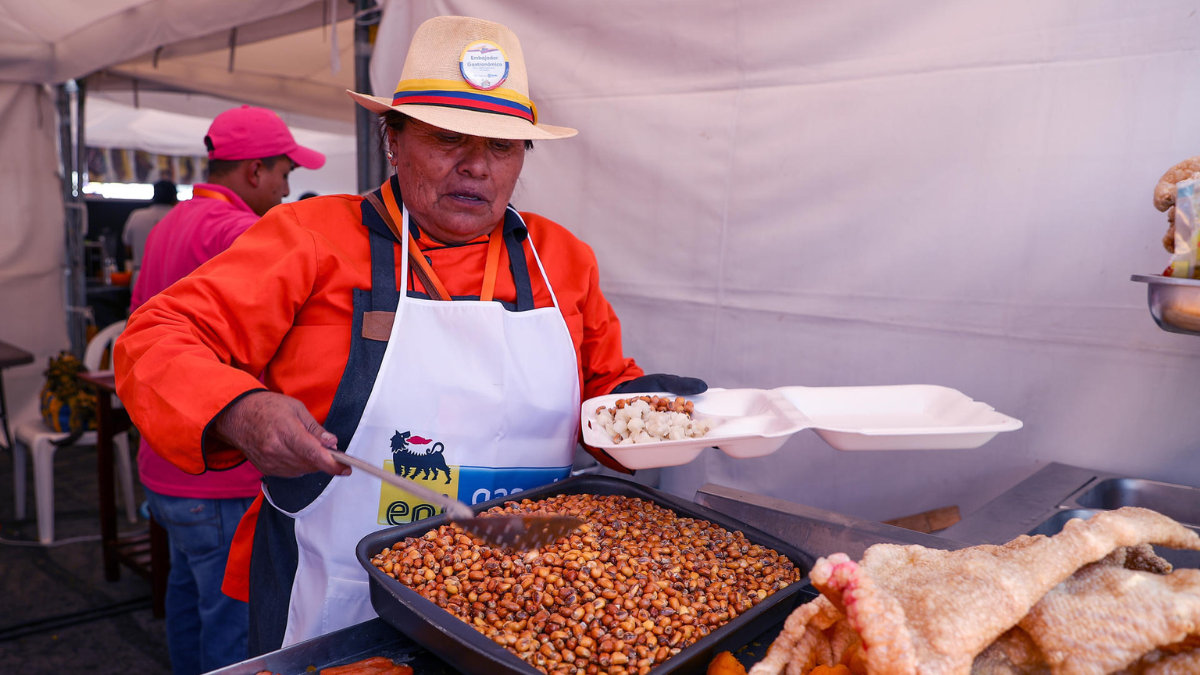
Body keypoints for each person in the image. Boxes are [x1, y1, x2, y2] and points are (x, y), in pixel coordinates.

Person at [114, 16, 704, 656]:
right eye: (449, 139)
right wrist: (239, 409)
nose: (476, 166)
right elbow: (154, 339)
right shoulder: (310, 239)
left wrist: (649, 414)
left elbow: (605, 397)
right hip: (339, 596)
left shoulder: (560, 260)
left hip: (523, 595)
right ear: (392, 140)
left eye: (502, 147)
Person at [127, 105, 326, 675]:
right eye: (285, 174)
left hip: (163, 456)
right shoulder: (244, 232)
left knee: (186, 599)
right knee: (235, 626)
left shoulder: (171, 221)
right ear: (255, 172)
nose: (287, 190)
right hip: (218, 475)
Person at [122, 179, 177, 282]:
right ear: (175, 198)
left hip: (141, 275)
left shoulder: (137, 216)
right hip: (171, 277)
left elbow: (128, 249)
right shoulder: (180, 217)